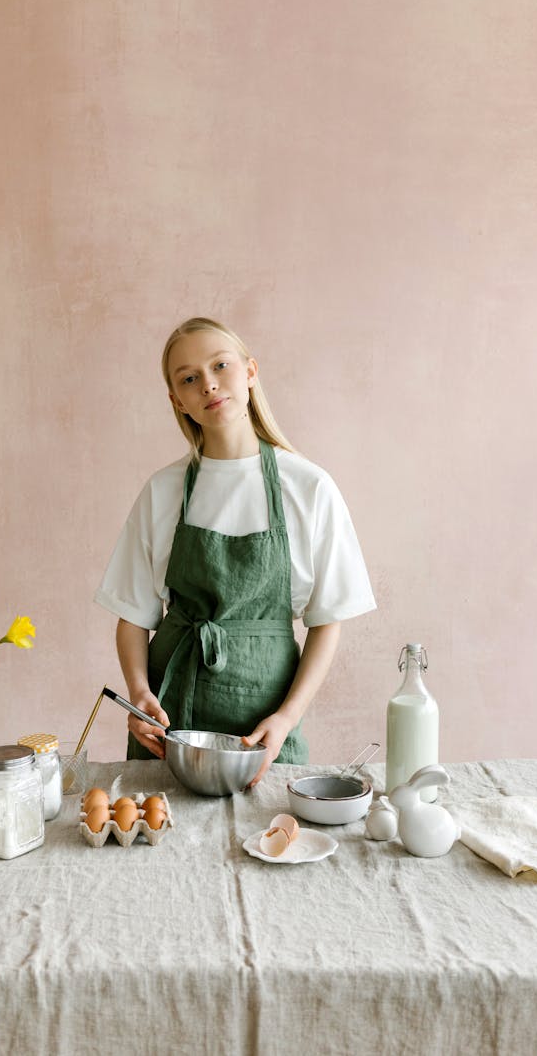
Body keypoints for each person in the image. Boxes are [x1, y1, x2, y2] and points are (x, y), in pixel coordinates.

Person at [95, 317, 376, 785]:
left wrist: (286, 719)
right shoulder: (163, 491)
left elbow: (328, 621)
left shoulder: (309, 488)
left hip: (263, 728)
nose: (207, 384)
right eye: (188, 378)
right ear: (176, 400)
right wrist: (139, 693)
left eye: (219, 366)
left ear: (249, 371)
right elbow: (133, 615)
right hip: (171, 725)